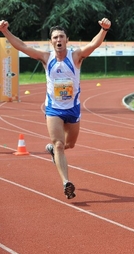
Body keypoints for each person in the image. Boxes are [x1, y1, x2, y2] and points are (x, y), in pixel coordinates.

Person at [0, 18, 111, 199]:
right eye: (55, 37)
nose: (58, 40)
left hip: (73, 108)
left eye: (61, 36)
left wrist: (104, 30)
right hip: (53, 109)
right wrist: (5, 31)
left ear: (67, 39)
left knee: (70, 144)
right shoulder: (46, 58)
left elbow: (94, 44)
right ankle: (66, 182)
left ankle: (53, 151)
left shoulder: (75, 57)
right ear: (51, 41)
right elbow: (20, 46)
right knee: (59, 144)